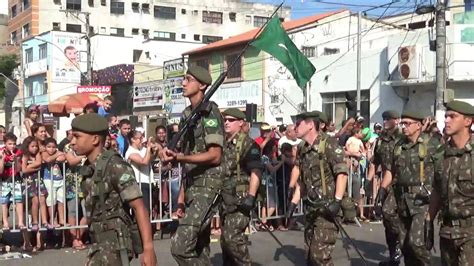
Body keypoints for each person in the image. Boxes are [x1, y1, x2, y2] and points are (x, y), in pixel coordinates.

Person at [70, 113, 157, 265]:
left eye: (77, 136)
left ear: (95, 139)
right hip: (99, 244)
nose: (72, 142)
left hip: (115, 244)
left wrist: (148, 249)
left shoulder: (115, 165)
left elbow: (139, 207)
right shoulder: (90, 167)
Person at [159, 65, 224, 265]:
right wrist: (181, 197)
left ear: (203, 85)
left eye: (188, 79)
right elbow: (186, 158)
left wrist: (179, 158)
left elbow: (215, 156)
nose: (183, 83)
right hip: (193, 186)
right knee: (199, 248)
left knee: (180, 245)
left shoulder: (210, 112)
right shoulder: (187, 113)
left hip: (209, 185)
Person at [287, 111, 348, 265]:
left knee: (319, 255)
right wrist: (293, 203)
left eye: (298, 123)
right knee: (310, 256)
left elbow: (342, 173)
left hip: (327, 209)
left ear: (310, 125)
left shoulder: (329, 143)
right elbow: (302, 181)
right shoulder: (302, 148)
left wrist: (337, 201)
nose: (295, 127)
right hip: (311, 209)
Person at [381, 111, 439, 265]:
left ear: (419, 125)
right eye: (402, 123)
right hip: (402, 200)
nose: (403, 126)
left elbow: (442, 171)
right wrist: (383, 188)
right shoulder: (399, 145)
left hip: (422, 201)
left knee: (417, 243)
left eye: (407, 123)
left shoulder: (431, 145)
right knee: (406, 245)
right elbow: (391, 170)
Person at [426, 100, 474, 266]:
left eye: (453, 116)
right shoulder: (442, 154)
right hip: (447, 232)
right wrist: (428, 221)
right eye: (446, 116)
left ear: (468, 121)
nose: (446, 120)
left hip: (471, 234)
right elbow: (437, 191)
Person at [219, 108, 262, 265]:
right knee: (225, 243)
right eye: (225, 120)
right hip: (226, 200)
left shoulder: (248, 144)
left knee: (232, 238)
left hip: (240, 201)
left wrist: (251, 197)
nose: (226, 123)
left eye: (230, 120)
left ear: (241, 122)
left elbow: (256, 171)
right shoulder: (225, 144)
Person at [373, 110, 404, 266]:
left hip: (400, 182)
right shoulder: (381, 140)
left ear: (396, 120)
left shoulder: (402, 139)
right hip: (387, 180)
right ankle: (394, 255)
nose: (385, 121)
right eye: (384, 118)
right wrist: (369, 179)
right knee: (386, 219)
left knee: (388, 212)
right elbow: (375, 160)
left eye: (388, 119)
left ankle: (402, 242)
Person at [21, 136, 46, 252]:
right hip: (27, 184)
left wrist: (31, 166)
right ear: (27, 147)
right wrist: (34, 167)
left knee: (39, 203)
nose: (35, 148)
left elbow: (39, 163)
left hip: (37, 182)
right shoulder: (25, 155)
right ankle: (26, 241)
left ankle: (39, 241)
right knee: (25, 213)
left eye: (36, 146)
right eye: (32, 146)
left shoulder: (37, 154)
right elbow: (24, 170)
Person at [125, 129, 154, 213]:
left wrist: (154, 148)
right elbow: (144, 162)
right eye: (140, 138)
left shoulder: (143, 150)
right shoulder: (130, 152)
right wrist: (148, 148)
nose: (142, 140)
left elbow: (152, 158)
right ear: (133, 139)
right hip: (139, 183)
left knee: (150, 210)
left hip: (148, 182)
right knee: (143, 211)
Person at [0, 133, 24, 231]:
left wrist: (16, 160)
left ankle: (20, 221)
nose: (12, 146)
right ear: (5, 143)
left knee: (19, 200)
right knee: (4, 201)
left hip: (16, 179)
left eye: (14, 144)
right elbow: (0, 171)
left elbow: (19, 169)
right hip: (5, 180)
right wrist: (2, 159)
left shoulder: (18, 152)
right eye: (10, 144)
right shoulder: (1, 152)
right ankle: (5, 222)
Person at [41, 137, 66, 229]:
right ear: (45, 147)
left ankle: (62, 219)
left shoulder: (58, 152)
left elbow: (62, 158)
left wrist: (58, 155)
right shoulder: (44, 153)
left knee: (61, 198)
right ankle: (52, 219)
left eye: (53, 147)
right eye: (49, 147)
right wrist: (56, 155)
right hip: (48, 179)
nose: (51, 149)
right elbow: (47, 160)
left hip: (59, 178)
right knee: (52, 199)